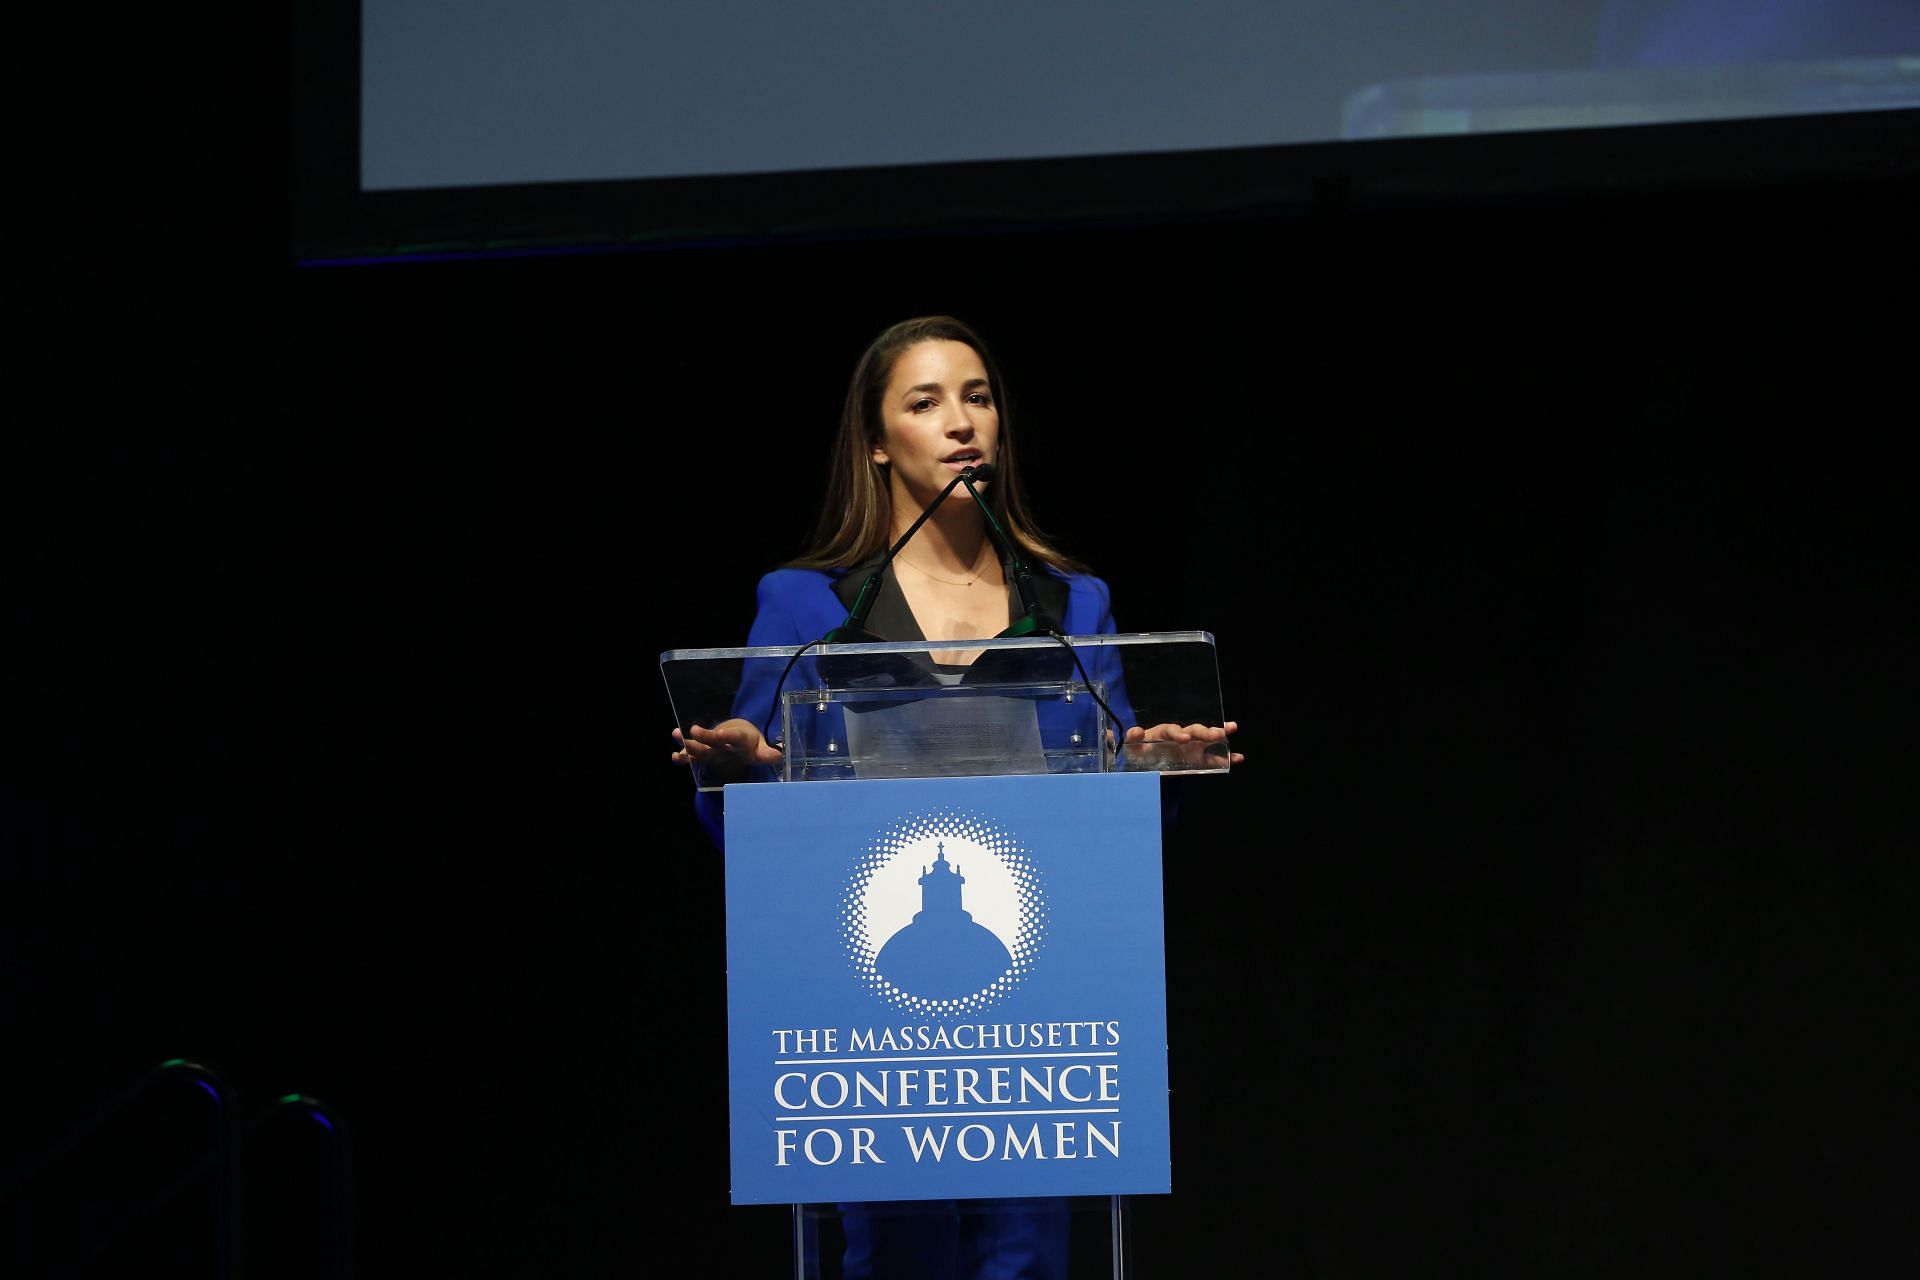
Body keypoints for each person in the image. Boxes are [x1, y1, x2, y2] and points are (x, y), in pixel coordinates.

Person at [669, 313, 1241, 1280]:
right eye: (926, 402)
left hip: (1040, 993)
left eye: (978, 398)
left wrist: (1151, 770)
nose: (961, 421)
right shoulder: (809, 605)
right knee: (894, 1251)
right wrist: (738, 771)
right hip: (869, 999)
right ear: (877, 444)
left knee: (1029, 1253)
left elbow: (1108, 801)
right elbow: (747, 808)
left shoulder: (1071, 600)